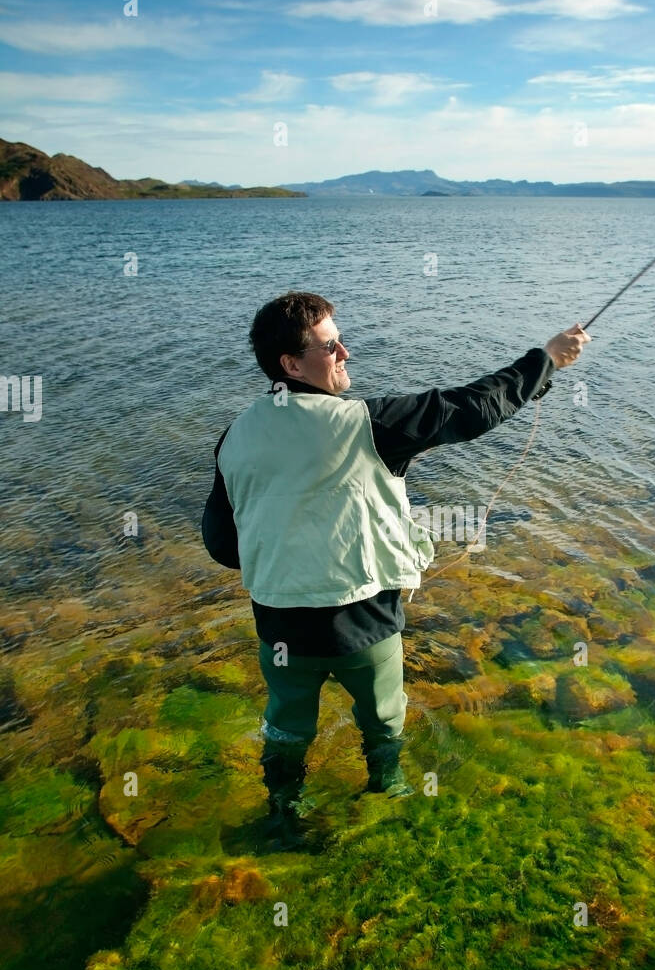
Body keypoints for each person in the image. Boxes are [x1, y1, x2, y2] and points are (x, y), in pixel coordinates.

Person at [202, 291, 590, 849]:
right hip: (366, 624)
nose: (346, 352)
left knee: (287, 726)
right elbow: (473, 406)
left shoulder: (233, 437)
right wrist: (546, 359)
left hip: (280, 629)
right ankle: (389, 788)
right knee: (383, 719)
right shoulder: (372, 423)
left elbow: (222, 545)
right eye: (330, 344)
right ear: (291, 364)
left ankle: (282, 812)